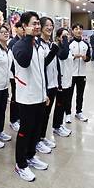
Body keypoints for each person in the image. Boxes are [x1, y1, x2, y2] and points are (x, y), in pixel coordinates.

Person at [11, 11, 57, 182]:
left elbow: (40, 69)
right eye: (33, 24)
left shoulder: (37, 44)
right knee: (25, 131)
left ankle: (31, 156)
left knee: (36, 130)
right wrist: (27, 38)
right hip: (27, 97)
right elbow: (24, 61)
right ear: (23, 26)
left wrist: (44, 93)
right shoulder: (18, 45)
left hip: (39, 96)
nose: (37, 26)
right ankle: (20, 165)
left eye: (38, 23)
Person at [36, 16, 58, 154]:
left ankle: (42, 136)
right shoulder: (38, 44)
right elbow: (41, 64)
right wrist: (53, 51)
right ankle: (37, 140)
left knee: (47, 114)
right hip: (43, 85)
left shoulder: (51, 43)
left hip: (53, 83)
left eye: (51, 25)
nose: (50, 28)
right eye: (47, 25)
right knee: (41, 115)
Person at [66, 23, 91, 123]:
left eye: (80, 28)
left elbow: (89, 57)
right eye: (76, 29)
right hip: (71, 74)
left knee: (80, 94)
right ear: (72, 31)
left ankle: (79, 112)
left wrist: (86, 58)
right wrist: (73, 56)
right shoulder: (69, 44)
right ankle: (67, 113)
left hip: (82, 74)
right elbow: (64, 58)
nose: (78, 30)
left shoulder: (86, 44)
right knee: (69, 94)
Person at [52, 28, 74, 137]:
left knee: (64, 103)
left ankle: (59, 124)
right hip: (61, 81)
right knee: (59, 105)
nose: (66, 38)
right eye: (63, 36)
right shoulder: (58, 48)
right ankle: (56, 126)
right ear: (58, 38)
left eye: (67, 36)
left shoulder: (67, 48)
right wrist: (65, 42)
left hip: (68, 80)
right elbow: (63, 56)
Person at [7, 21, 24, 132]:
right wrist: (15, 74)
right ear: (16, 29)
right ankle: (13, 120)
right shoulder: (13, 42)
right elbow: (12, 61)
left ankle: (19, 117)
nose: (23, 30)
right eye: (21, 28)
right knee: (15, 97)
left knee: (21, 97)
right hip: (15, 75)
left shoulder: (26, 41)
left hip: (24, 76)